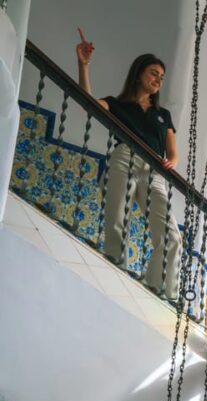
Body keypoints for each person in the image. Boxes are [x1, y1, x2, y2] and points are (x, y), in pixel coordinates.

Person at [76, 29, 182, 300]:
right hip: (124, 159)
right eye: (153, 73)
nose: (158, 80)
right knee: (116, 223)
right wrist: (84, 65)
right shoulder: (117, 104)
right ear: (138, 74)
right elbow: (88, 103)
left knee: (172, 237)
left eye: (162, 77)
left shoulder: (163, 114)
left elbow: (173, 153)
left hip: (155, 171)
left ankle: (160, 293)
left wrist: (171, 163)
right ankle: (116, 275)